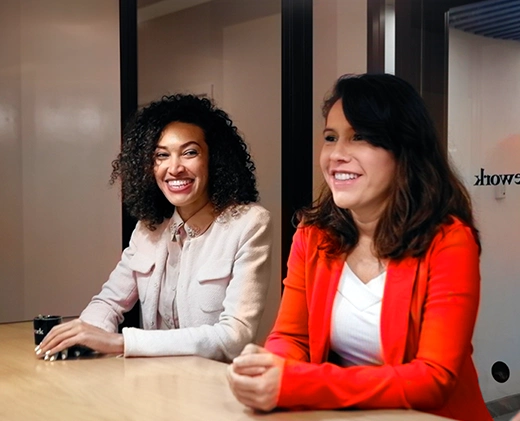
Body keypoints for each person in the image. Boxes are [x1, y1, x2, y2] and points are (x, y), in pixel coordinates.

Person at [227, 73, 492, 421]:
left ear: (403, 150)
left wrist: (299, 384)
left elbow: (433, 378)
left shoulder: (448, 240)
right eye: (330, 138)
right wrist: (269, 368)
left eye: (360, 137)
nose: (337, 155)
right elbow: (293, 337)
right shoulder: (314, 234)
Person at [36, 94, 272, 362]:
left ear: (214, 159)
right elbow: (109, 302)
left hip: (215, 390)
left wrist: (122, 342)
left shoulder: (249, 223)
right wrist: (82, 335)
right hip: (151, 387)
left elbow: (235, 337)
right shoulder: (148, 229)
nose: (174, 168)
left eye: (190, 152)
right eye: (161, 155)